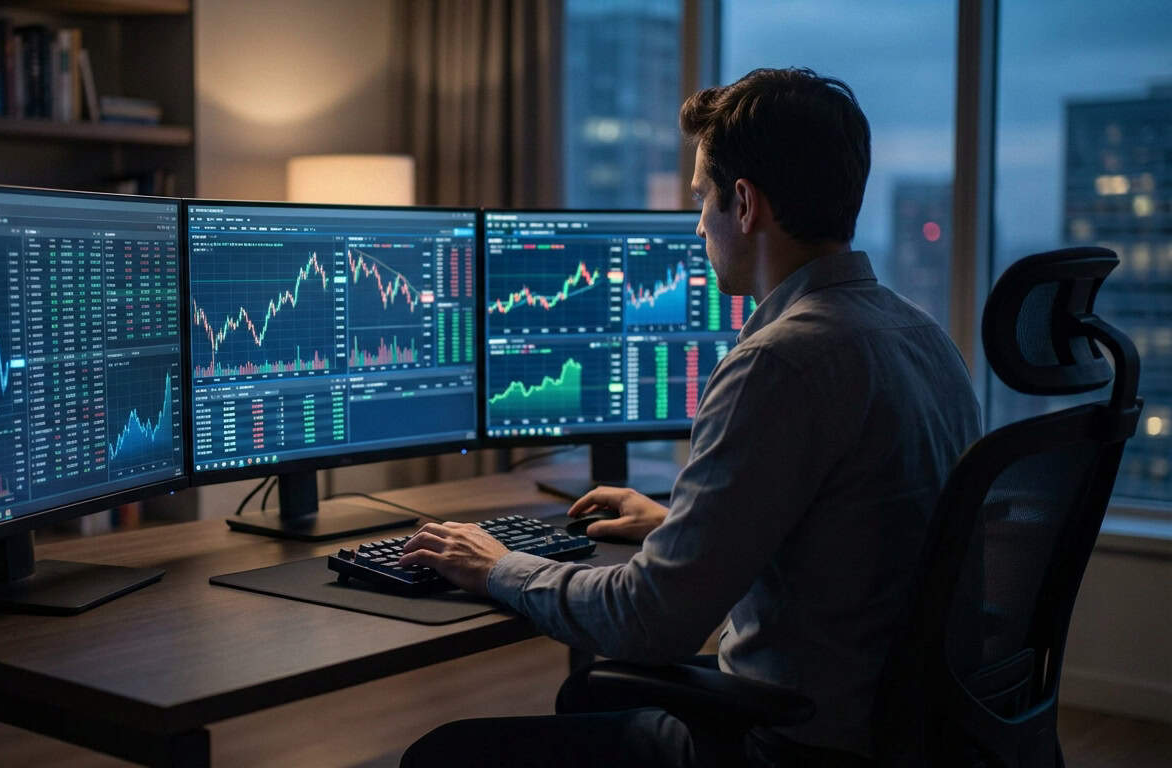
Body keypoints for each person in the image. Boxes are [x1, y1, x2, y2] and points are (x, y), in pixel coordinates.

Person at [398, 67, 981, 767]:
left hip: (798, 743)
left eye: (702, 196)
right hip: (910, 730)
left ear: (744, 204)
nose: (698, 220)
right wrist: (680, 525)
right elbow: (852, 529)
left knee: (444, 753)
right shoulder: (923, 337)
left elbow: (650, 622)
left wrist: (500, 567)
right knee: (591, 700)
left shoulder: (780, 362)